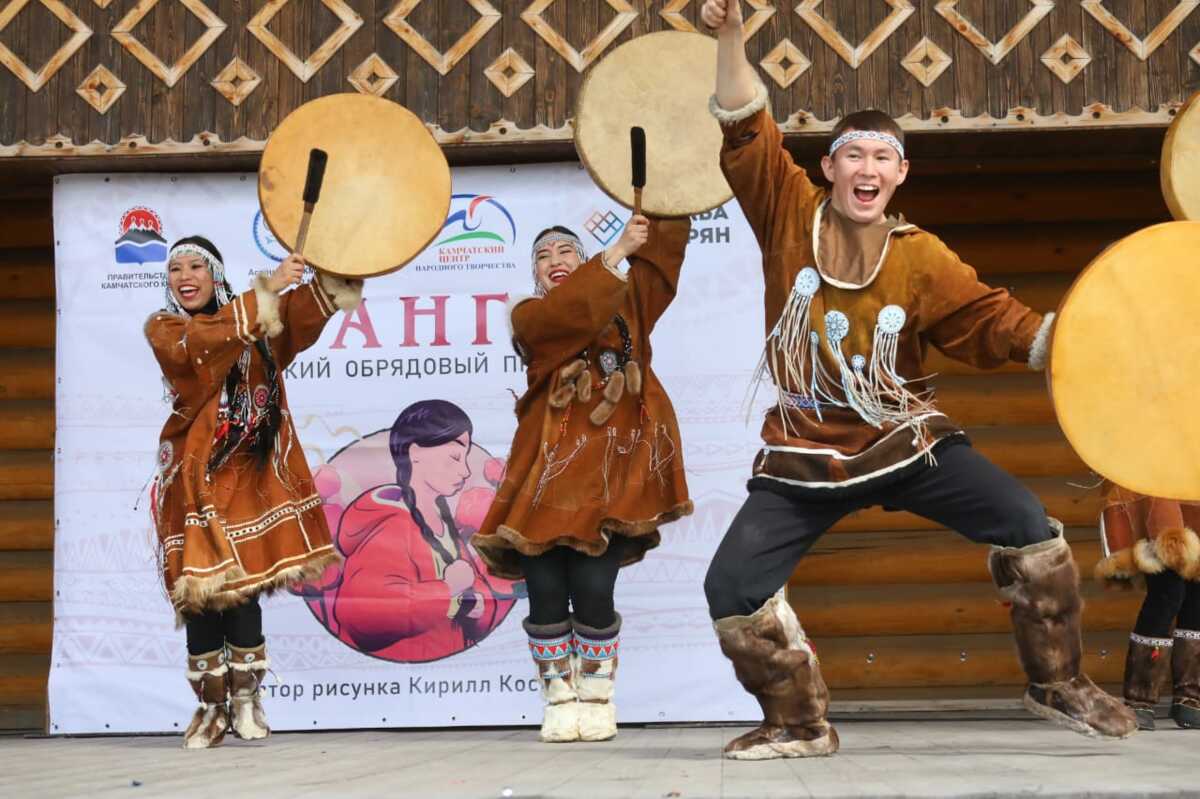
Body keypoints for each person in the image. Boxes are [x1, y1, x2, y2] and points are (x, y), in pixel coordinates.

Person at [697, 0, 1137, 759]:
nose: (866, 170)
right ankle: (800, 721)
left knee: (1031, 530)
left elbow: (997, 322)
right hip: (806, 451)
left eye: (882, 159)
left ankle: (1058, 683)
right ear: (829, 166)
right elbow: (743, 120)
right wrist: (732, 36)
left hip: (905, 441)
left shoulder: (921, 255)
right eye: (852, 156)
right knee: (730, 589)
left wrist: (1087, 341)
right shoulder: (784, 210)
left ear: (900, 173)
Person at [473, 214, 692, 743]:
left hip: (610, 471)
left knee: (595, 589)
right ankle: (558, 699)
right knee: (546, 591)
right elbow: (564, 321)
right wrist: (614, 252)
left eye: (566, 251)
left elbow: (661, 262)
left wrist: (664, 211)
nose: (556, 262)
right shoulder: (528, 314)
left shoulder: (627, 300)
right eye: (544, 257)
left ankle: (596, 700)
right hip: (544, 475)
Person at [146, 236, 361, 748]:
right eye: (175, 268)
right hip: (196, 478)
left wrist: (329, 273)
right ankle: (209, 706)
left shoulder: (260, 327)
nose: (184, 275)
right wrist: (268, 292)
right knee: (201, 596)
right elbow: (200, 349)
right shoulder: (166, 327)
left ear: (214, 273)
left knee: (242, 594)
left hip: (249, 475)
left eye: (195, 264)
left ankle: (245, 699)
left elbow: (302, 317)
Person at [308, 400, 520, 662]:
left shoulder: (444, 521)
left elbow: (470, 591)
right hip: (385, 683)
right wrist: (448, 588)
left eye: (465, 459)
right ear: (415, 452)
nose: (465, 471)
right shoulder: (387, 524)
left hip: (449, 676)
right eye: (454, 457)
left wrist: (477, 607)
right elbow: (363, 615)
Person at [1096, 483, 1200, 730]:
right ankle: (1139, 699)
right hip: (1152, 480)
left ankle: (1190, 697)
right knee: (1168, 591)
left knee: (1197, 587)